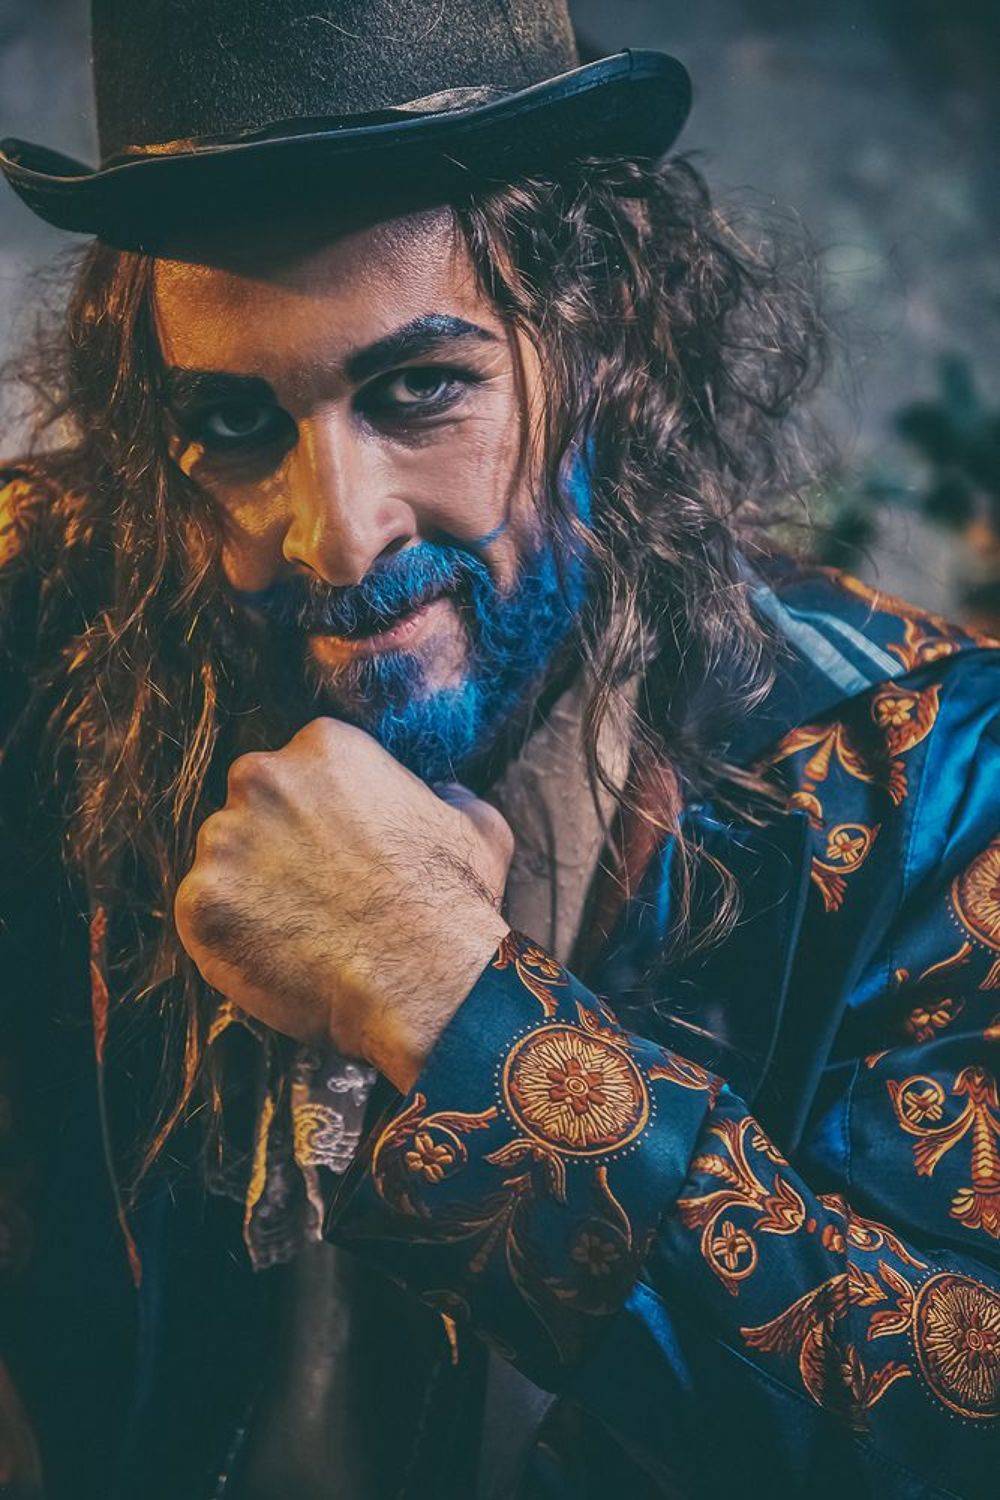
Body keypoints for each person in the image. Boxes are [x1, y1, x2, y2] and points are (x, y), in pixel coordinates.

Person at [0, 2, 997, 1496]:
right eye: (233, 419)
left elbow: (957, 1423)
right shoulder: (59, 619)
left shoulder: (933, 770)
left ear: (602, 342)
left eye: (420, 390)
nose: (337, 533)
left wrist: (450, 999)